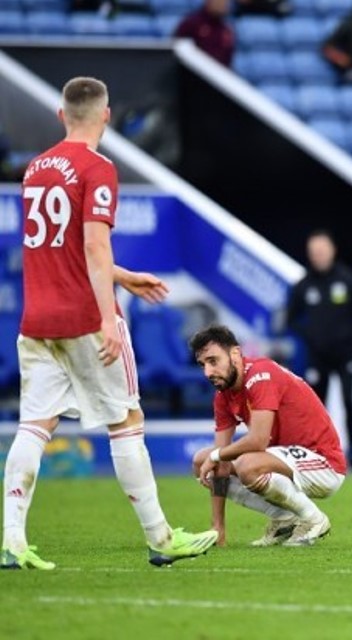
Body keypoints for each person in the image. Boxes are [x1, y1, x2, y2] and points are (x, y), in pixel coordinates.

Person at [1, 76, 219, 570]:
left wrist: (123, 275)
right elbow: (95, 245)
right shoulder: (97, 167)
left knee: (33, 426)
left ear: (61, 116)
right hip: (83, 315)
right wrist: (105, 316)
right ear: (106, 115)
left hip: (36, 319)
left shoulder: (36, 168)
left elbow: (58, 245)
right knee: (126, 422)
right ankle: (161, 537)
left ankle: (11, 539)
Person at [189, 324, 347, 547]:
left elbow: (258, 440)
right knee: (200, 461)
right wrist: (218, 527)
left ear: (235, 354)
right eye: (202, 364)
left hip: (324, 463)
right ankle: (284, 518)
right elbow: (220, 465)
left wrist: (216, 456)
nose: (208, 372)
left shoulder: (261, 374)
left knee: (245, 463)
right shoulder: (223, 396)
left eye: (213, 361)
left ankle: (313, 519)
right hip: (284, 461)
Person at [286, 229, 352, 471]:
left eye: (322, 250)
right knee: (315, 408)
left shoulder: (348, 280)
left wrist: (350, 342)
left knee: (349, 402)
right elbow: (291, 320)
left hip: (345, 356)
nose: (319, 255)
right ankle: (316, 455)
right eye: (314, 252)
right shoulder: (303, 285)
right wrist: (311, 337)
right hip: (317, 357)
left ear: (332, 250)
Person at [173, 0, 236, 68]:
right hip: (192, 72)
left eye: (225, 2)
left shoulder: (227, 30)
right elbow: (177, 51)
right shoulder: (191, 24)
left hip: (217, 75)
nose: (223, 4)